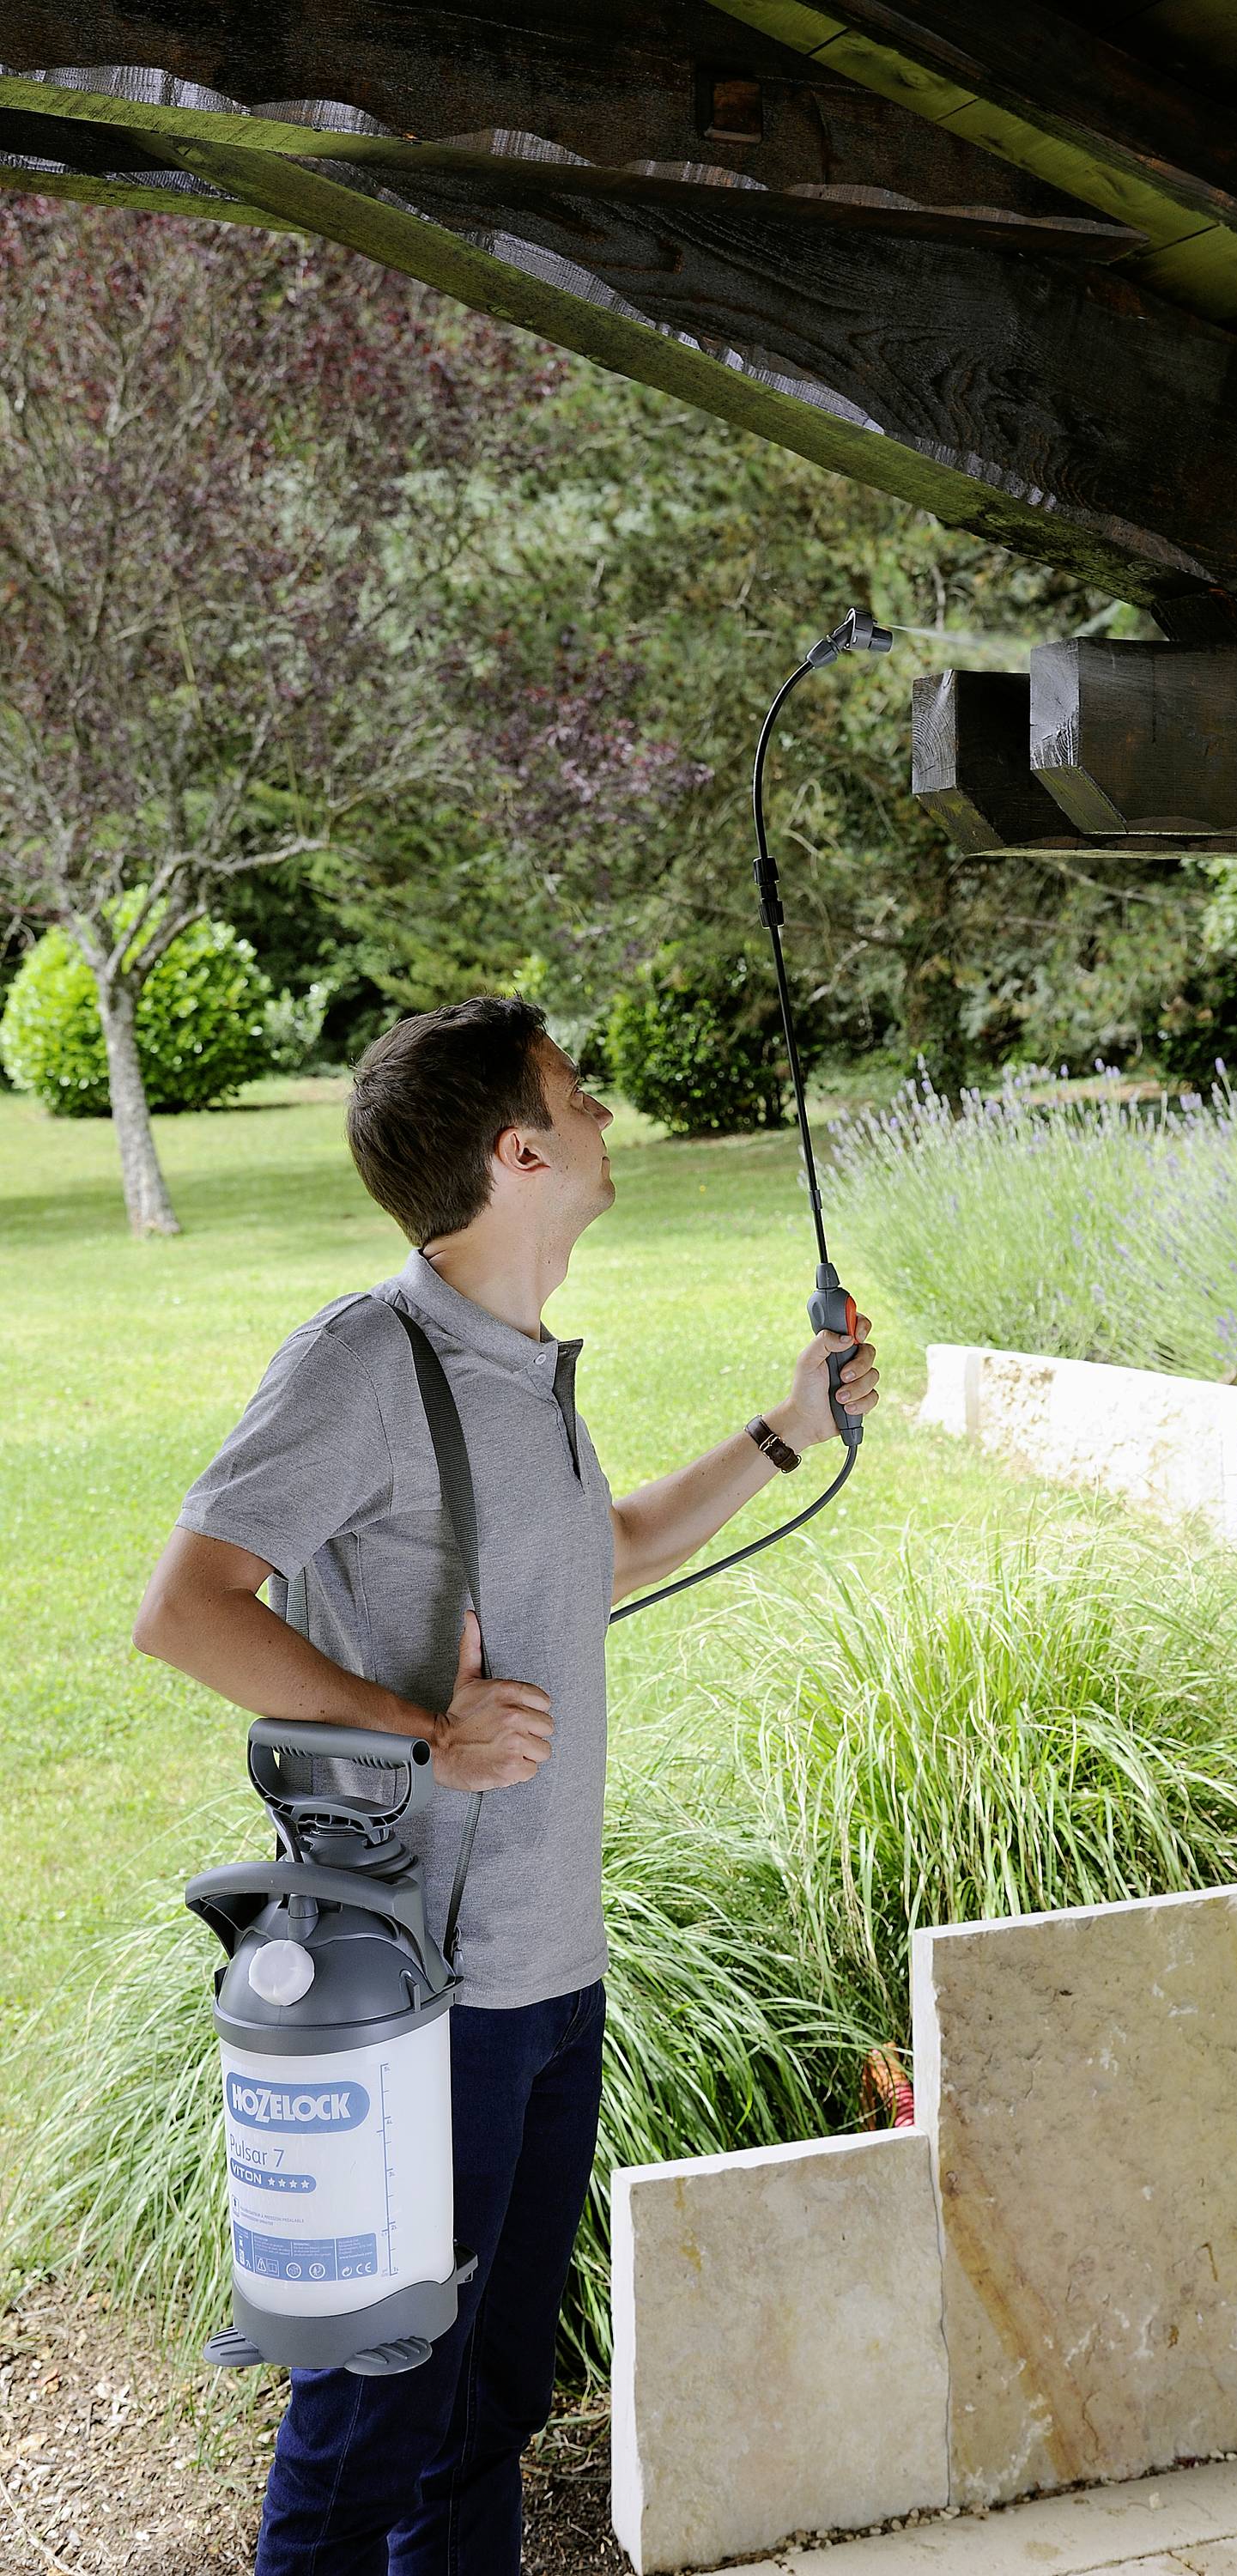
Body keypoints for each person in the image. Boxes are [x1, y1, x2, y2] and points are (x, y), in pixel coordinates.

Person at [133, 993, 880, 2576]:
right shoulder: (362, 1363)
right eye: (578, 1097)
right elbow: (182, 1609)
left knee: (482, 2421)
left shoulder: (523, 1367)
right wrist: (425, 1733)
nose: (606, 1118)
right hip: (418, 1996)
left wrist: (784, 1429)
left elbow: (594, 1560)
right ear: (517, 1148)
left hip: (549, 1969)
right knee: (367, 2436)